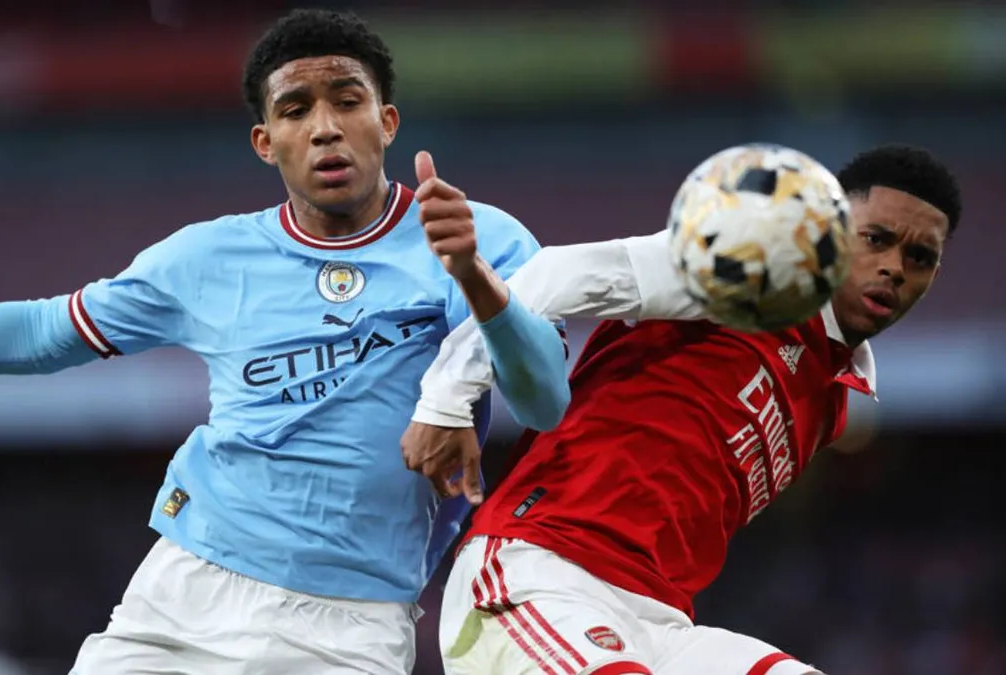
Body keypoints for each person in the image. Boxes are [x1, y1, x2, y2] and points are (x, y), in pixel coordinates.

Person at [0, 9, 570, 674]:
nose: (326, 126)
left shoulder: (475, 237)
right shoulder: (206, 259)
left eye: (348, 100)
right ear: (266, 141)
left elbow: (543, 399)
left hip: (353, 619)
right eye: (297, 109)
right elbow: (45, 332)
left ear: (387, 121)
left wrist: (473, 278)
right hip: (188, 588)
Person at [401, 144, 962, 675]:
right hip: (541, 573)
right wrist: (448, 398)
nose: (893, 267)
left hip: (661, 621)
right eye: (876, 239)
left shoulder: (837, 399)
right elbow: (557, 276)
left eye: (918, 257)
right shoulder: (748, 271)